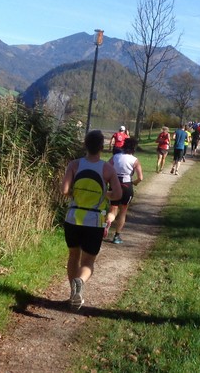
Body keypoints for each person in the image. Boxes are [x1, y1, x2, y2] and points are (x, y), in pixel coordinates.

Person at [60, 130, 122, 310]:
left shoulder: (74, 165)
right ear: (102, 147)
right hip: (94, 220)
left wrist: (76, 193)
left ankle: (73, 294)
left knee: (73, 256)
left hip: (73, 218)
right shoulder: (107, 169)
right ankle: (80, 281)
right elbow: (118, 194)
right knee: (88, 262)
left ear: (85, 145)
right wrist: (104, 194)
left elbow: (64, 190)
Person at [105, 138, 143, 244]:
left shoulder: (115, 157)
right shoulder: (135, 160)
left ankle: (108, 222)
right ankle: (116, 236)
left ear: (123, 146)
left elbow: (106, 169)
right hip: (127, 185)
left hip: (115, 184)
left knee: (113, 209)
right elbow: (140, 178)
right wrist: (134, 182)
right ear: (134, 148)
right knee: (123, 211)